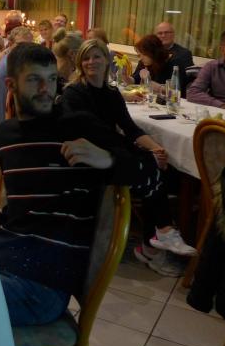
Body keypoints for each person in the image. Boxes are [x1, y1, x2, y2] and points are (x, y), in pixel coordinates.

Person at [0, 43, 159, 326]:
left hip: (43, 285)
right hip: (5, 258)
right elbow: (22, 200)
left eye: (51, 79)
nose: (46, 89)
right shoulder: (6, 134)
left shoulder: (77, 126)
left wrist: (108, 159)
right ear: (11, 85)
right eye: (34, 80)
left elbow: (152, 174)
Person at [62, 39, 196, 275]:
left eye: (97, 56)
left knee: (158, 168)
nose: (91, 62)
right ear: (80, 63)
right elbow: (96, 134)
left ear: (107, 61)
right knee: (151, 171)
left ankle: (156, 239)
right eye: (86, 58)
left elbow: (130, 128)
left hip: (112, 152)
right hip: (89, 158)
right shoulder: (74, 93)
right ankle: (156, 240)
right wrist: (144, 154)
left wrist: (156, 148)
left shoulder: (111, 93)